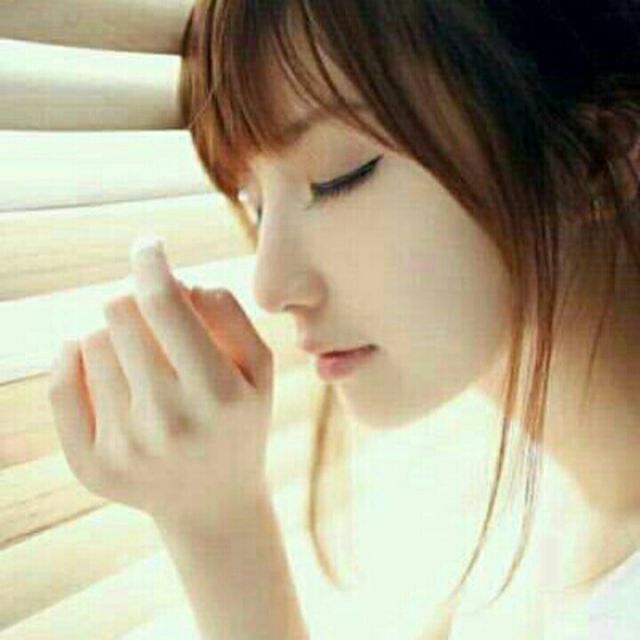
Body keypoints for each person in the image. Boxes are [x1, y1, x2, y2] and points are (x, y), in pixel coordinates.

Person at [49, 1, 640, 638]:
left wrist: (217, 534)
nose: (270, 287)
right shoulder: (499, 519)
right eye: (253, 203)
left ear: (591, 156)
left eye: (338, 178)